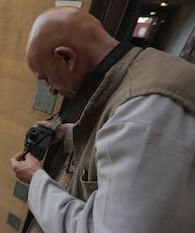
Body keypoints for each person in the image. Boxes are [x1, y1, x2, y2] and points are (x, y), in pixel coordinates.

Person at [10, 6, 195, 233]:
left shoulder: (140, 118)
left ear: (67, 57)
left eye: (46, 78)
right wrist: (69, 134)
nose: (50, 90)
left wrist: (36, 179)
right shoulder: (147, 70)